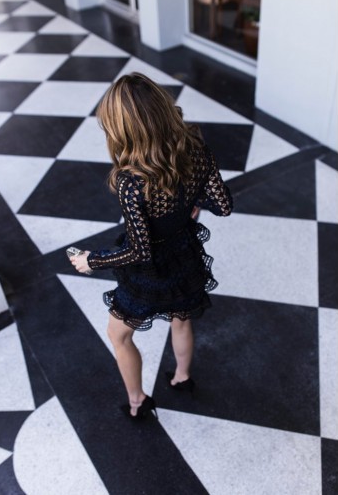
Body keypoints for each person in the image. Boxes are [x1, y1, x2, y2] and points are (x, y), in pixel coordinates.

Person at [69, 72, 233, 420]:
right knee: (181, 321)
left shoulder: (131, 181)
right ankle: (182, 377)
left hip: (149, 274)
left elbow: (140, 251)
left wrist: (91, 260)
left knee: (119, 336)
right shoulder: (196, 149)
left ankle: (137, 401)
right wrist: (191, 201)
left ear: (123, 129)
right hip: (185, 255)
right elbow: (223, 205)